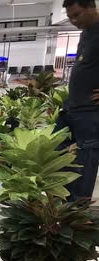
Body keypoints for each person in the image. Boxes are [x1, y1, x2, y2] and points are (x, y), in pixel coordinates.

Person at [56, 0, 99, 200]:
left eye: (77, 14)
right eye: (70, 17)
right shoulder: (86, 33)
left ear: (92, 7)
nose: (73, 21)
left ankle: (76, 209)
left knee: (85, 160)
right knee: (55, 151)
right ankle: (60, 200)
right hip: (72, 108)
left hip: (90, 112)